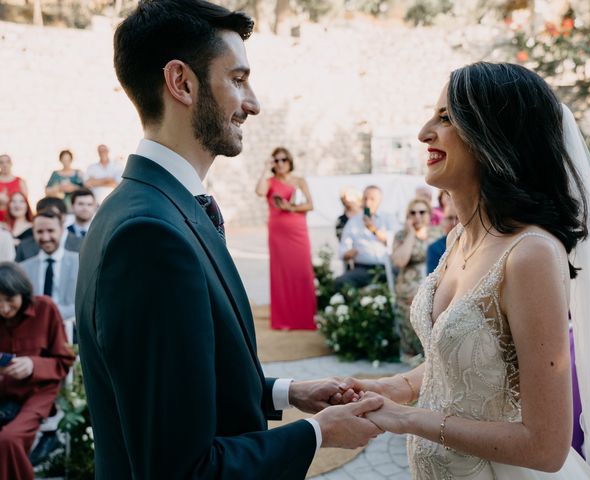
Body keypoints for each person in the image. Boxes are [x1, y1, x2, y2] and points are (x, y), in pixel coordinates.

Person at [76, 2, 383, 479]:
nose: (254, 102)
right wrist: (320, 433)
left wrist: (286, 392)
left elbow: (176, 388)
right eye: (238, 79)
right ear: (181, 82)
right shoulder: (150, 236)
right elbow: (183, 470)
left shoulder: (150, 205)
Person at [341, 63, 590, 479]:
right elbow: (474, 364)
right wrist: (399, 387)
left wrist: (408, 419)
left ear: (494, 135)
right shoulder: (458, 240)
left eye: (446, 118)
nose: (424, 131)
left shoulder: (529, 254)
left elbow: (547, 446)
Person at [0, 262, 75, 480]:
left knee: (8, 440)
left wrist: (33, 365)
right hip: (4, 395)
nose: (4, 309)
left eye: (9, 300)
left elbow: (64, 361)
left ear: (22, 293)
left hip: (38, 394)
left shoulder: (45, 309)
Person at [255, 147, 317, 330]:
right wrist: (265, 168)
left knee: (302, 271)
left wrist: (290, 208)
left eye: (284, 160)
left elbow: (310, 205)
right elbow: (259, 192)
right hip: (278, 234)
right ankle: (284, 319)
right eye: (277, 160)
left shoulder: (299, 181)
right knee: (281, 274)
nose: (280, 163)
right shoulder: (269, 181)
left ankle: (305, 317)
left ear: (289, 161)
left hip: (298, 232)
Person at [20, 210, 79, 322]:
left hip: (71, 329)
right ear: (33, 232)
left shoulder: (79, 263)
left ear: (62, 230)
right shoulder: (23, 269)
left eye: (51, 231)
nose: (45, 237)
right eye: (39, 232)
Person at [390, 197, 431, 360]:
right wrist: (411, 234)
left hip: (434, 281)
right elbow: (400, 261)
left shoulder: (439, 233)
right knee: (412, 299)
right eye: (413, 213)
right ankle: (415, 354)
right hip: (409, 286)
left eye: (422, 212)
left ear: (429, 214)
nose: (418, 216)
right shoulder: (401, 235)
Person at [335, 185, 394, 290]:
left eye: (372, 199)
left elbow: (393, 242)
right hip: (363, 269)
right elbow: (343, 251)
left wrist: (372, 228)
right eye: (365, 198)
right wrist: (348, 254)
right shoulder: (353, 222)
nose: (367, 203)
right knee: (340, 282)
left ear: (379, 201)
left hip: (386, 267)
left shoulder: (388, 219)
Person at [14, 197, 82, 263]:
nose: (45, 220)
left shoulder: (82, 245)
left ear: (64, 217)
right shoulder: (25, 247)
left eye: (51, 215)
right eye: (41, 215)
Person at [426, 196, 458, 274]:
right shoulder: (434, 248)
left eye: (457, 218)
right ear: (443, 222)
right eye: (450, 218)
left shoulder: (473, 243)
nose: (454, 223)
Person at [0, 154, 28, 223]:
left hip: (16, 219)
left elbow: (25, 201)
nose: (4, 165)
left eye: (7, 162)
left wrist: (8, 201)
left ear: (11, 164)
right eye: (1, 162)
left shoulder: (20, 181)